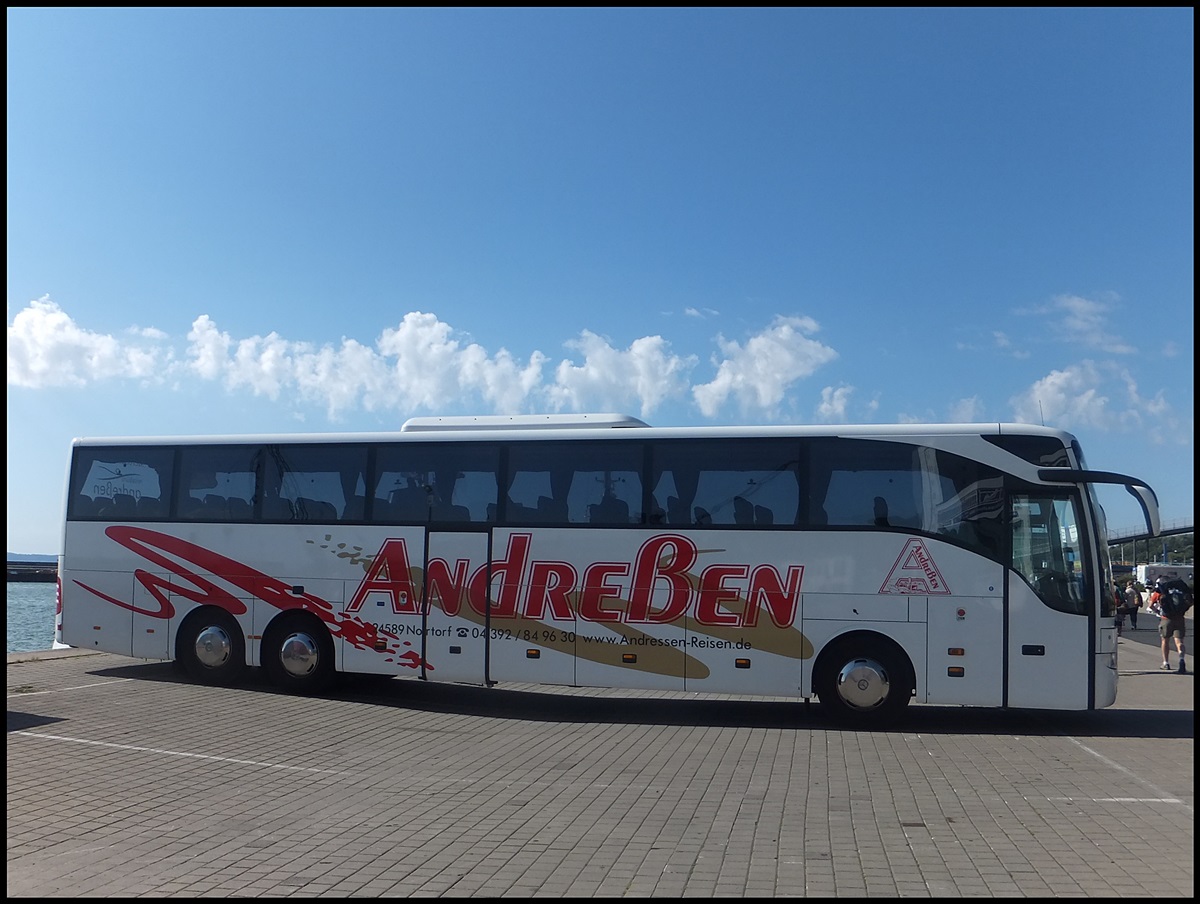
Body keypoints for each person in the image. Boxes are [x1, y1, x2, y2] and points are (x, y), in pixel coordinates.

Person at [1150, 577, 1191, 673]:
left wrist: (1158, 612)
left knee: (1165, 641)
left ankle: (1166, 663)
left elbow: (1151, 605)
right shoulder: (1180, 591)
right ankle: (1181, 659)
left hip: (1166, 619)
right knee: (1179, 642)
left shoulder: (1160, 592)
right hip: (1180, 618)